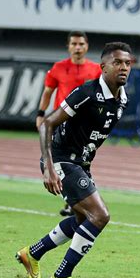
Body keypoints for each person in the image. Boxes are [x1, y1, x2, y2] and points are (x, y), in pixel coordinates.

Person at [16, 42, 133, 278]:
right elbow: (47, 124)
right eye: (117, 63)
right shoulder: (87, 93)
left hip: (79, 163)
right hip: (60, 159)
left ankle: (32, 254)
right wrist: (48, 167)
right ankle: (61, 276)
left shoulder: (121, 99)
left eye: (127, 63)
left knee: (82, 219)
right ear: (103, 67)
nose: (123, 67)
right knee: (100, 216)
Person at [36, 31, 102, 216]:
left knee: (81, 160)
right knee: (63, 159)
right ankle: (73, 199)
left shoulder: (96, 69)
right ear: (69, 47)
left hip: (85, 124)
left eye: (81, 44)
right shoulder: (58, 68)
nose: (78, 48)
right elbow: (48, 91)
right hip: (61, 121)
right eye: (74, 44)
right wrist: (41, 114)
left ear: (87, 46)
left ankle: (75, 198)